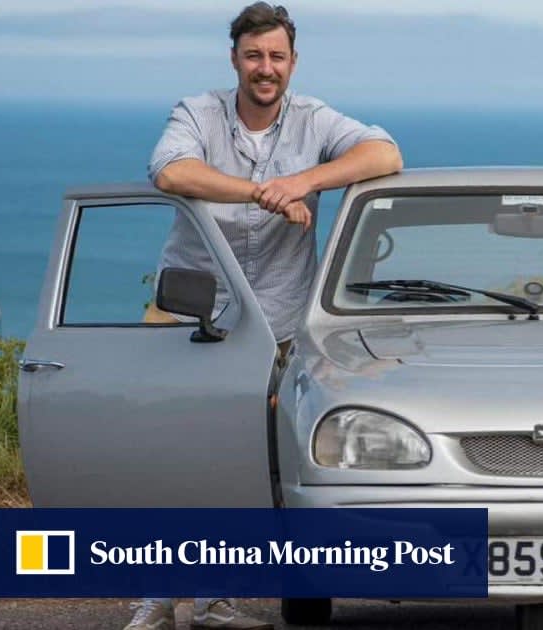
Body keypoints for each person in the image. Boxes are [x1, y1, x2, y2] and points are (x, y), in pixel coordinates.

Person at [126, 3, 402, 629]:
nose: (265, 68)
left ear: (293, 63)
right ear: (235, 60)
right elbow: (169, 170)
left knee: (255, 462)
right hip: (189, 312)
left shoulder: (314, 119)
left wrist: (303, 180)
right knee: (168, 455)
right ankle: (157, 598)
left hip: (276, 324)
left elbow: (384, 154)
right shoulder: (197, 112)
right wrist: (261, 191)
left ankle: (219, 596)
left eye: (276, 56)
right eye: (254, 56)